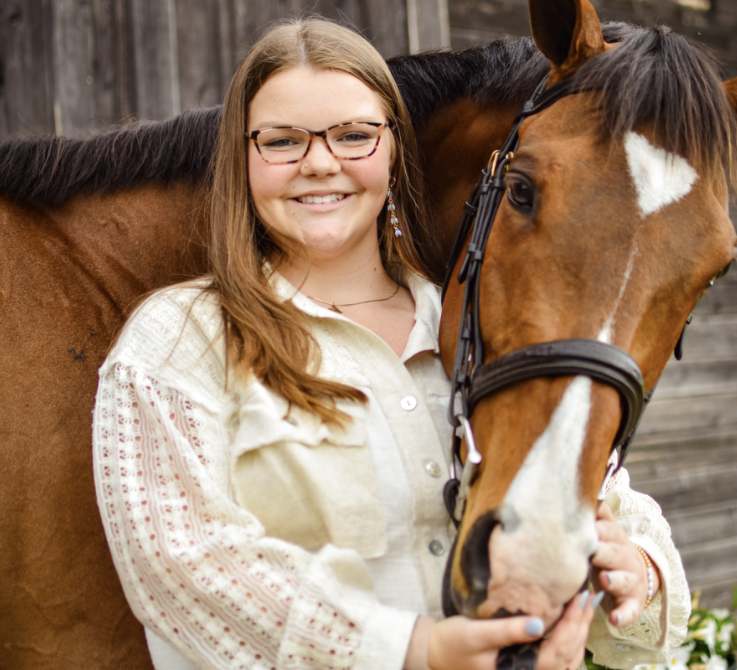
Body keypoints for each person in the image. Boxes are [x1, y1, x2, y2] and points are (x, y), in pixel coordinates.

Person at [92, 18, 690, 670]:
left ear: (393, 151)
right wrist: (415, 650)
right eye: (282, 141)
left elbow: (597, 495)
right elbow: (182, 567)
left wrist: (637, 570)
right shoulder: (176, 342)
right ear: (243, 160)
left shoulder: (473, 327)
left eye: (353, 135)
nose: (320, 162)